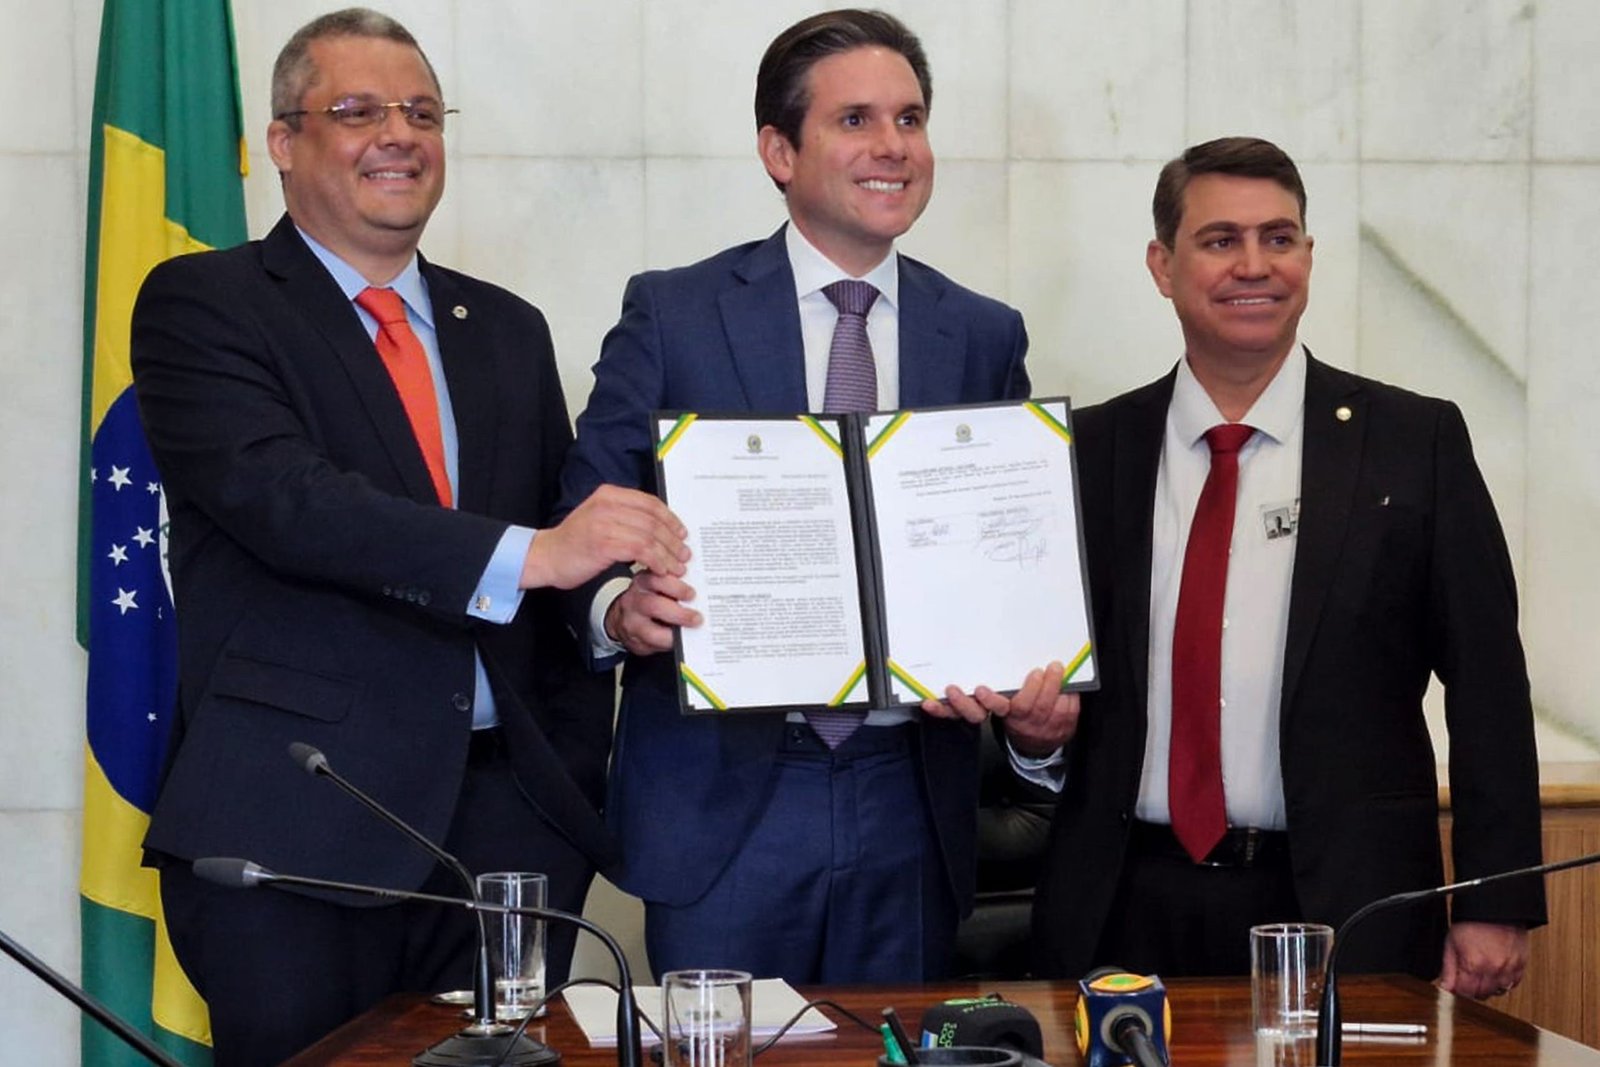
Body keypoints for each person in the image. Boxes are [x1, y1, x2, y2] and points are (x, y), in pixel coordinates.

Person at [129, 9, 685, 1064]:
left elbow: (555, 537)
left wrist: (613, 614)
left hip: (505, 834)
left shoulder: (506, 327)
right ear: (283, 140)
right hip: (300, 830)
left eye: (423, 113)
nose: (399, 134)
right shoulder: (205, 302)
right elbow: (287, 501)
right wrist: (540, 554)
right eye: (358, 111)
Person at [557, 8, 1078, 984]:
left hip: (908, 794)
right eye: (855, 120)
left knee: (892, 1046)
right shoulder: (674, 312)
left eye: (910, 119)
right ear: (778, 150)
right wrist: (619, 608)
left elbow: (1007, 549)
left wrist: (1027, 690)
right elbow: (583, 513)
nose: (893, 146)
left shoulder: (980, 332)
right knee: (718, 1052)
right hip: (723, 799)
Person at [1028, 136, 1545, 996]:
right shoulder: (1090, 450)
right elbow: (1048, 681)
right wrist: (1030, 735)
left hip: (1347, 906)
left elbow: (1489, 681)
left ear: (1308, 255)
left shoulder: (1413, 443)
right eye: (1220, 240)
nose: (1254, 265)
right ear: (1162, 265)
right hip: (1122, 903)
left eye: (1279, 237)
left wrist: (1496, 896)